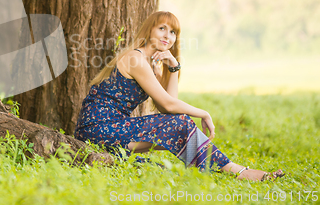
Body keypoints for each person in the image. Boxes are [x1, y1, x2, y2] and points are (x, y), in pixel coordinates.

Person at [74, 11, 283, 181]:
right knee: (180, 123)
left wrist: (173, 67)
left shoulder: (151, 66)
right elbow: (169, 105)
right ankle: (237, 171)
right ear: (149, 30)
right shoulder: (135, 59)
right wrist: (204, 113)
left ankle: (225, 169)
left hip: (111, 129)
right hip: (97, 129)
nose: (168, 36)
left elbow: (167, 108)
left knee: (177, 123)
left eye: (173, 32)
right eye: (162, 28)